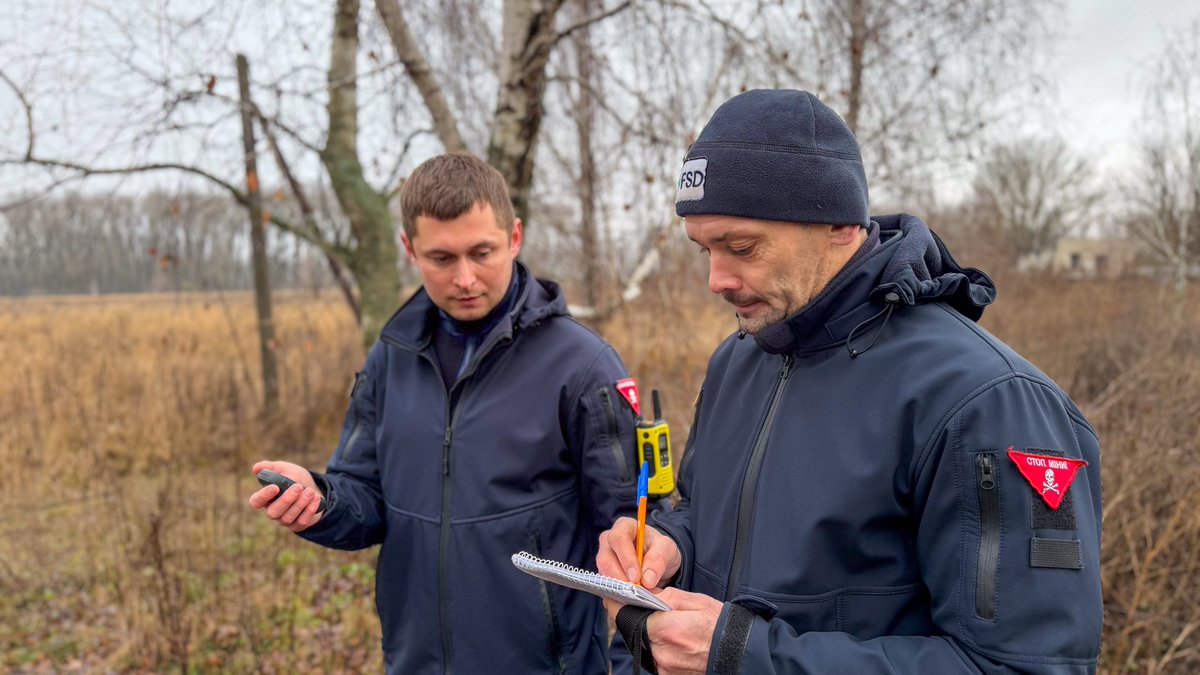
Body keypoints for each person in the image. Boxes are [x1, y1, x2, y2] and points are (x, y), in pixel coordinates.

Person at [596, 89, 1103, 674]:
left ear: (838, 224)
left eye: (741, 247)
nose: (717, 279)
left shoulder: (988, 402)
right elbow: (709, 515)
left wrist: (747, 658)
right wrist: (669, 546)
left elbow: (1025, 665)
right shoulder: (737, 360)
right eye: (704, 248)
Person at [249, 153, 648, 674]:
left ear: (515, 238)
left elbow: (635, 540)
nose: (465, 278)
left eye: (482, 252)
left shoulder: (584, 366)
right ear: (409, 249)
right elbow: (365, 501)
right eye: (441, 258)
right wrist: (318, 501)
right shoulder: (391, 356)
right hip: (415, 661)